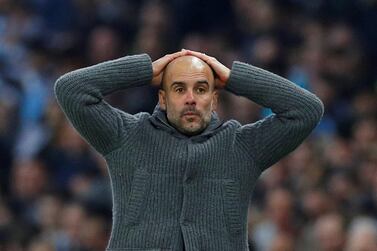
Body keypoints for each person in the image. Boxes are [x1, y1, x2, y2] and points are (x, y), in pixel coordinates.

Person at [54, 49, 324, 251]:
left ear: (215, 98)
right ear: (162, 98)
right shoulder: (127, 136)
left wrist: (232, 77)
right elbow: (71, 90)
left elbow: (305, 110)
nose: (191, 99)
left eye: (202, 88)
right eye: (179, 88)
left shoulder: (242, 147)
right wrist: (145, 70)